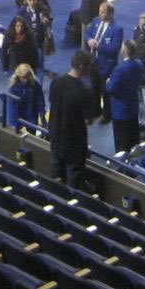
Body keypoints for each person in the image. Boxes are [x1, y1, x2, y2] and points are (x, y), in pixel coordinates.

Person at [48, 51, 96, 187]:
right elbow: (88, 120)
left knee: (55, 181)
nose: (90, 68)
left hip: (56, 137)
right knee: (73, 185)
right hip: (74, 144)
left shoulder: (56, 82)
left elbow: (53, 103)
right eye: (89, 66)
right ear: (81, 66)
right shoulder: (84, 91)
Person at [105, 41, 145, 154]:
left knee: (122, 144)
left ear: (123, 52)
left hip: (120, 111)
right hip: (133, 107)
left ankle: (123, 168)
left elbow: (111, 89)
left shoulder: (119, 69)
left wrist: (108, 82)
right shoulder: (139, 64)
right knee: (133, 140)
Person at [7, 64, 46, 132]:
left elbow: (40, 101)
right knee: (15, 135)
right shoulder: (13, 87)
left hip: (31, 113)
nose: (25, 80)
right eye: (23, 77)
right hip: (17, 114)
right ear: (18, 76)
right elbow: (12, 107)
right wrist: (13, 123)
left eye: (27, 77)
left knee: (31, 136)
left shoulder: (35, 85)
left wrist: (42, 116)